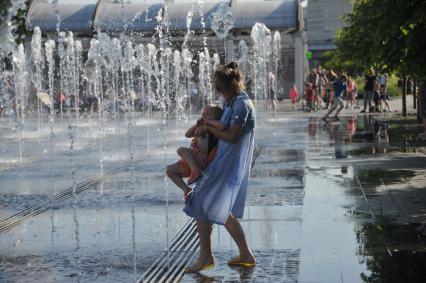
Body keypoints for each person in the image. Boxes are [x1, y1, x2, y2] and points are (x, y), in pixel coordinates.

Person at [183, 62, 256, 272]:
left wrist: (207, 127)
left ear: (229, 85)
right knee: (214, 207)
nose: (217, 91)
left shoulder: (242, 104)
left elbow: (232, 136)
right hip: (221, 162)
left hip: (228, 165)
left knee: (202, 203)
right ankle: (243, 254)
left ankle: (206, 256)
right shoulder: (232, 103)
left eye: (219, 87)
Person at [166, 105, 224, 200]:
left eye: (208, 114)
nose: (204, 116)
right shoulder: (201, 126)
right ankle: (187, 190)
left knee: (181, 150)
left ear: (216, 117)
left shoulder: (213, 127)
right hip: (193, 160)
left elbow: (222, 126)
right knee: (170, 171)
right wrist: (197, 125)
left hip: (202, 160)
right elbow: (187, 134)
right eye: (203, 114)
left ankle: (195, 171)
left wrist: (208, 124)